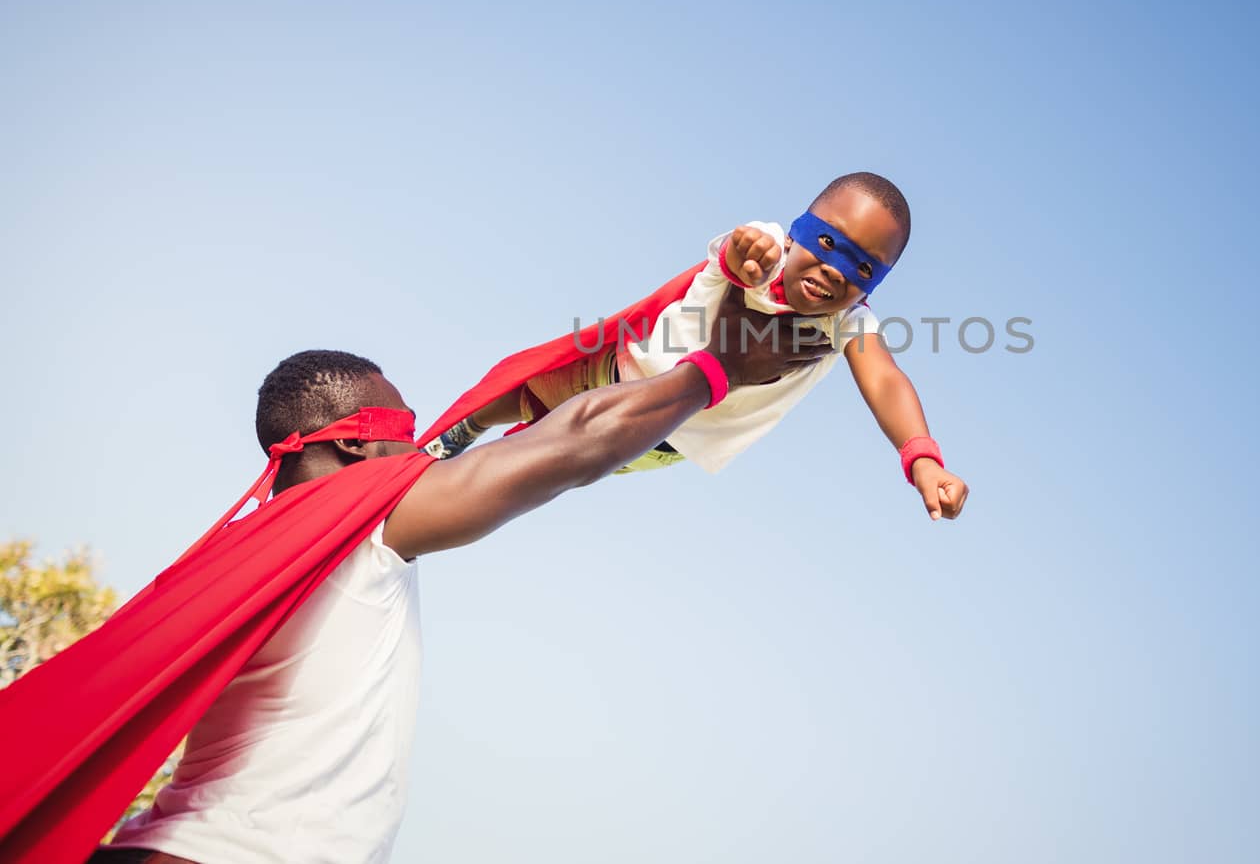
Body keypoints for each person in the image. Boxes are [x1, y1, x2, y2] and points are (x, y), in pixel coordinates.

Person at [92, 293, 830, 864]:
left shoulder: (247, 549)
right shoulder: (361, 520)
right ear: (353, 440)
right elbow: (572, 444)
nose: (421, 444)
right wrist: (719, 368)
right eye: (405, 427)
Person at [431, 172, 970, 522]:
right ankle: (462, 429)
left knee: (537, 466)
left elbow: (884, 378)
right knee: (526, 392)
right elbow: (739, 255)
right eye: (828, 243)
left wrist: (921, 457)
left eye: (863, 268)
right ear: (797, 232)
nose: (834, 269)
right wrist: (747, 260)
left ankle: (446, 493)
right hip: (622, 370)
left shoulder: (847, 322)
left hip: (659, 438)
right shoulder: (768, 247)